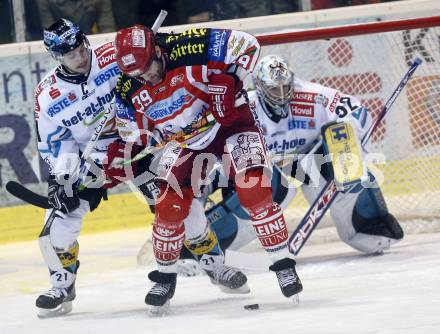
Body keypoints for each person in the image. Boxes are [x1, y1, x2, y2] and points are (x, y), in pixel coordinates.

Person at [106, 25, 303, 310]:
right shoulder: (129, 87)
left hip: (232, 125)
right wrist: (126, 152)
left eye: (148, 67)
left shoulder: (190, 44)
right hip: (186, 141)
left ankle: (284, 266)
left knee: (254, 190)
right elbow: (135, 133)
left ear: (157, 50)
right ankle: (164, 277)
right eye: (136, 74)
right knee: (168, 205)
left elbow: (248, 44)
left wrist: (230, 79)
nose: (145, 77)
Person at [246, 54, 404, 254]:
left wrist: (349, 134)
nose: (281, 94)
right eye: (273, 89)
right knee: (268, 190)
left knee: (341, 136)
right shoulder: (246, 106)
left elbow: (355, 111)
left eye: (285, 87)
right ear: (259, 86)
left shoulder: (314, 95)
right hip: (268, 164)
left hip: (310, 161)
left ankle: (369, 224)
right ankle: (212, 249)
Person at [36, 0, 116, 34]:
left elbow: (108, 29)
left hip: (90, 44)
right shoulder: (45, 1)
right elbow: (50, 34)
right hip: (62, 49)